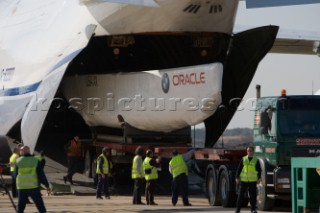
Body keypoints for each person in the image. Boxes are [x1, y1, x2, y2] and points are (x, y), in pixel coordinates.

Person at [15, 146, 50, 213]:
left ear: (23, 152)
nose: (20, 152)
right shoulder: (35, 160)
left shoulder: (17, 161)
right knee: (40, 205)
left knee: (20, 207)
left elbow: (15, 174)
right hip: (33, 187)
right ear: (28, 151)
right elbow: (41, 174)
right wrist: (47, 185)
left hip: (21, 187)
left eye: (20, 150)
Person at [235, 145, 261, 213]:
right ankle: (238, 210)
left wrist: (259, 178)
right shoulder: (243, 159)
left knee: (253, 196)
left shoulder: (256, 160)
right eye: (248, 151)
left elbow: (259, 170)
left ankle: (253, 209)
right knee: (240, 196)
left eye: (250, 151)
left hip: (252, 181)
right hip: (243, 181)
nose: (249, 152)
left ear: (253, 151)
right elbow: (239, 168)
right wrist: (237, 177)